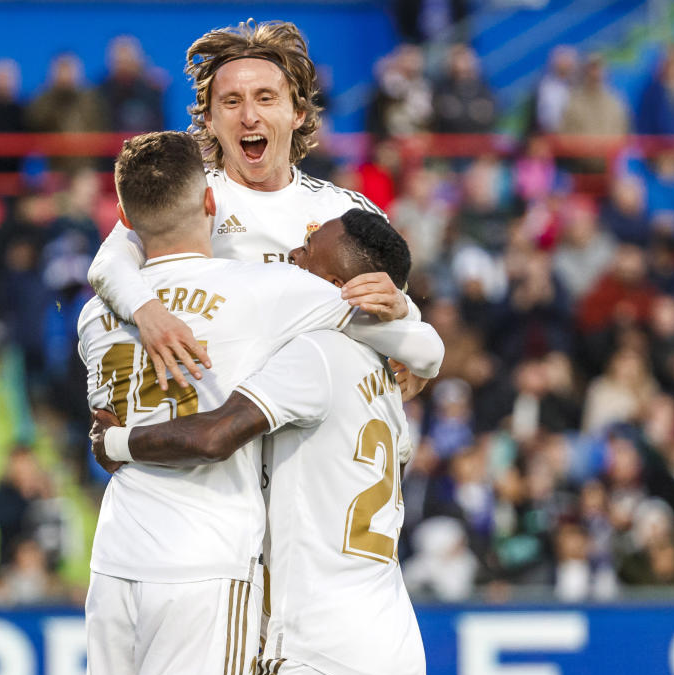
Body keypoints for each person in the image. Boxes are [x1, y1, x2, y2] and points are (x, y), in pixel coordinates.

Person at [78, 132, 443, 675]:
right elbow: (423, 349)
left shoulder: (92, 319)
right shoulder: (272, 295)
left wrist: (112, 439)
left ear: (124, 219)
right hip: (212, 562)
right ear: (209, 203)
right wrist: (407, 321)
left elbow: (108, 269)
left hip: (116, 554)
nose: (293, 255)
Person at [87, 20, 425, 400]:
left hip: (317, 437)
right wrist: (148, 314)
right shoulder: (191, 197)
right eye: (231, 101)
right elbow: (107, 264)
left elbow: (398, 309)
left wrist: (405, 317)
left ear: (297, 113)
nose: (249, 116)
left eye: (266, 98)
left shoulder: (345, 210)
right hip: (221, 430)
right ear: (210, 120)